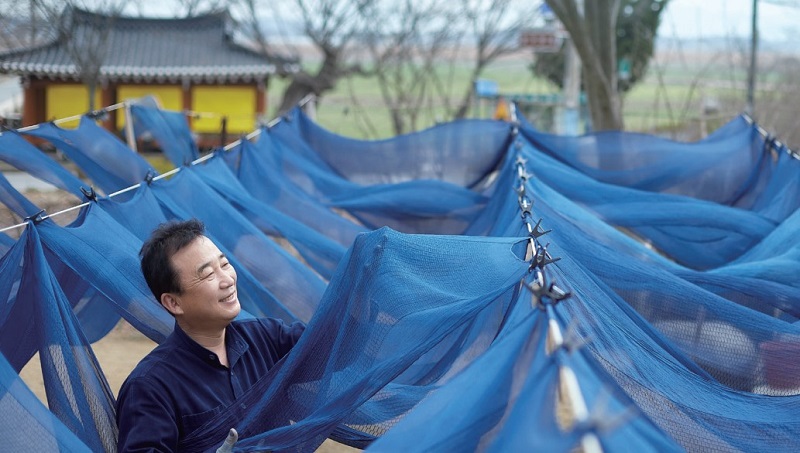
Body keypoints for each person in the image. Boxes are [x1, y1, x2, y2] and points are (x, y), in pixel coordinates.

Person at [116, 219, 305, 452]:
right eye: (207, 275)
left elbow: (337, 345)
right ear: (173, 302)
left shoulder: (267, 337)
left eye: (224, 265)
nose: (227, 280)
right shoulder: (150, 387)